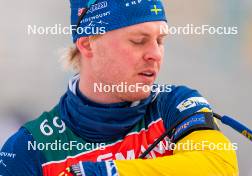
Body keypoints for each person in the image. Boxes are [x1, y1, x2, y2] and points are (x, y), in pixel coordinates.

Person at [0, 0, 239, 175]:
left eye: (160, 40)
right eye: (138, 41)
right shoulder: (30, 148)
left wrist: (107, 172)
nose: (155, 54)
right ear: (88, 44)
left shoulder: (174, 104)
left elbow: (218, 166)